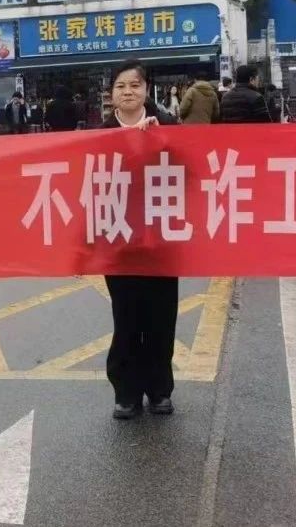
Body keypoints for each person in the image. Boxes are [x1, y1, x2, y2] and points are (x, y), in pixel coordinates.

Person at [100, 59, 180, 420]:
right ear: (111, 94)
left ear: (147, 90)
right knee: (127, 317)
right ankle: (126, 391)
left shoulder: (169, 126)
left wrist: (162, 140)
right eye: (120, 86)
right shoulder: (98, 135)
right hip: (119, 241)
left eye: (135, 85)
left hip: (162, 240)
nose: (128, 92)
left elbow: (192, 171)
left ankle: (160, 389)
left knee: (162, 317)